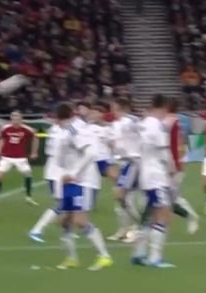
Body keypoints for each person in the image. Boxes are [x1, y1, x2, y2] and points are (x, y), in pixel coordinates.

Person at [54, 103, 113, 271]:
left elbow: (91, 153)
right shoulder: (69, 130)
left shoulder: (74, 131)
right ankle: (71, 258)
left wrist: (74, 173)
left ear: (58, 118)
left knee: (79, 220)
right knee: (66, 220)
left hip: (83, 181)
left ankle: (104, 256)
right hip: (71, 181)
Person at [131, 94, 176, 268]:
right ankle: (155, 257)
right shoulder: (157, 125)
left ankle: (139, 253)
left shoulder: (143, 123)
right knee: (163, 215)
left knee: (151, 215)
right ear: (164, 108)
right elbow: (164, 151)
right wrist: (171, 169)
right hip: (157, 176)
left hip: (145, 173)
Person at [109, 97, 142, 242]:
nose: (113, 110)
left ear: (123, 108)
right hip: (122, 163)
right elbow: (115, 144)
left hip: (133, 162)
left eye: (115, 108)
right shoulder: (115, 124)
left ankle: (140, 226)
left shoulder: (132, 121)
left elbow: (144, 136)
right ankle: (125, 229)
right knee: (121, 199)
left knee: (121, 195)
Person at [164, 97, 199, 234]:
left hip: (173, 163)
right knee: (165, 197)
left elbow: (180, 143)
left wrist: (178, 163)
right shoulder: (178, 120)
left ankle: (190, 216)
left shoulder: (173, 122)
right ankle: (160, 225)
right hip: (168, 162)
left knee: (171, 198)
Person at [28, 120, 64, 242]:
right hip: (57, 172)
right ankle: (36, 230)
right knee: (62, 204)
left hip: (56, 171)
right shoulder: (60, 132)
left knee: (68, 204)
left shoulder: (53, 129)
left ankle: (66, 229)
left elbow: (38, 131)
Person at [0, 110, 38, 204]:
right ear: (11, 118)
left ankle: (28, 196)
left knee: (28, 174)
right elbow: (1, 139)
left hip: (20, 157)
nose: (15, 119)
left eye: (17, 117)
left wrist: (34, 152)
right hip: (6, 156)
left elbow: (35, 138)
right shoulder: (6, 128)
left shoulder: (27, 129)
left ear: (21, 118)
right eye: (13, 117)